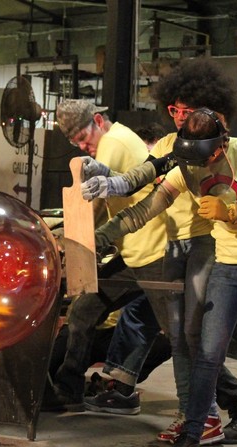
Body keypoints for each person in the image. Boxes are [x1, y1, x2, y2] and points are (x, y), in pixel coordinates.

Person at [90, 107, 237, 447]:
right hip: (229, 265)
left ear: (221, 145)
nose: (200, 167)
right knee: (205, 350)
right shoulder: (187, 165)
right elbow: (146, 207)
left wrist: (233, 213)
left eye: (205, 159)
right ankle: (193, 432)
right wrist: (102, 236)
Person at [43, 99, 171, 414]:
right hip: (135, 253)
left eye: (84, 138)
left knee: (183, 340)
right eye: (75, 143)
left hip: (154, 255)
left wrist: (69, 241)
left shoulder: (113, 141)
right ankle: (69, 388)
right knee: (85, 309)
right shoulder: (116, 139)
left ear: (99, 120)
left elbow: (97, 205)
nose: (82, 146)